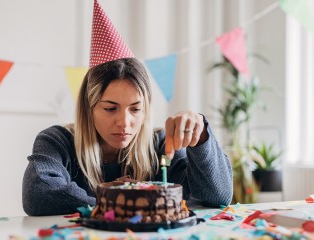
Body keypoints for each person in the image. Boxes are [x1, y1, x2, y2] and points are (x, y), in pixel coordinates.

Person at [22, 0, 232, 216]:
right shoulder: (58, 142)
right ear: (89, 108)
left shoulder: (160, 145)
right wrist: (122, 196)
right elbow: (38, 194)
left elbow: (217, 198)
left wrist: (201, 138)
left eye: (135, 109)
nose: (124, 122)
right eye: (110, 108)